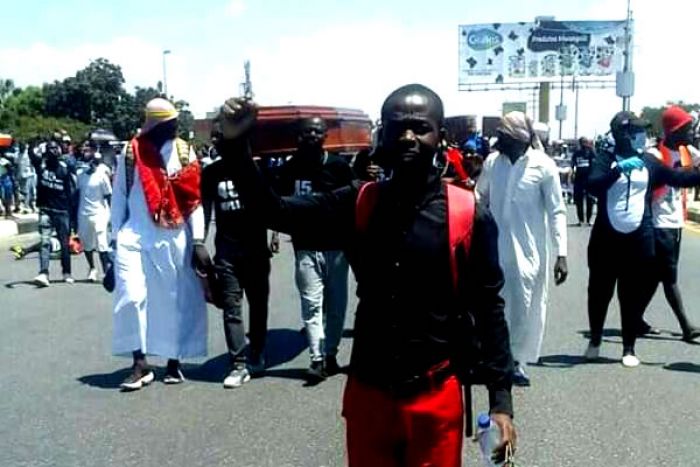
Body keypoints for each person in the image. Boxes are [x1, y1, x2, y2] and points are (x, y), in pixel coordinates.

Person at [216, 84, 516, 467]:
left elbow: (489, 307)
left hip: (435, 395)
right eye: (396, 127)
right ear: (382, 136)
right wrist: (236, 145)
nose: (407, 137)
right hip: (368, 394)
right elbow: (273, 211)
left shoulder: (469, 214)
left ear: (440, 136)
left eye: (420, 127)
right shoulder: (358, 202)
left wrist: (501, 404)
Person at [584, 111, 700, 367]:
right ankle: (595, 339)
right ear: (622, 134)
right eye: (636, 131)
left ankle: (629, 348)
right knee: (599, 292)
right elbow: (592, 184)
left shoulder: (649, 161)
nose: (642, 136)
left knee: (631, 293)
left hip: (639, 237)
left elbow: (679, 177)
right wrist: (617, 171)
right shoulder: (605, 159)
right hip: (606, 237)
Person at [111, 98, 211, 390]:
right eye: (171, 123)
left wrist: (199, 240)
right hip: (134, 236)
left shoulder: (184, 151)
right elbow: (119, 199)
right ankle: (139, 364)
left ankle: (172, 362)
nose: (176, 127)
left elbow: (194, 201)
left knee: (171, 301)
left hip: (173, 235)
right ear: (156, 125)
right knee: (131, 296)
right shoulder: (131, 152)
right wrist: (114, 243)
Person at [476, 111, 568, 386]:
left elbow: (557, 211)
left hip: (529, 254)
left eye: (502, 135)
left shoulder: (543, 165)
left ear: (517, 137)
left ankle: (517, 362)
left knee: (524, 308)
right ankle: (494, 358)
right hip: (493, 250)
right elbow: (480, 195)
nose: (497, 140)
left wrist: (561, 254)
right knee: (493, 307)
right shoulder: (493, 162)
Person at [270, 116, 354, 382]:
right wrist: (275, 231)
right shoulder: (290, 168)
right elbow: (279, 205)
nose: (312, 136)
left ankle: (330, 354)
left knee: (337, 307)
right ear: (299, 136)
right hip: (305, 247)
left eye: (317, 131)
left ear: (325, 135)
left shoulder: (339, 167)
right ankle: (317, 359)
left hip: (336, 248)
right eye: (307, 132)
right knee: (311, 305)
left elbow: (354, 200)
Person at [201, 126, 275, 388]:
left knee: (258, 304)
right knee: (231, 307)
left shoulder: (255, 170)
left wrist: (274, 234)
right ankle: (238, 364)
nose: (218, 143)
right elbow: (206, 210)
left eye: (224, 138)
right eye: (216, 139)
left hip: (255, 249)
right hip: (227, 252)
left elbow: (272, 204)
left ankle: (256, 351)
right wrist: (200, 242)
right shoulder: (210, 173)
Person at [640, 106, 700, 342]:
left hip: (676, 221)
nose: (689, 133)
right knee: (669, 276)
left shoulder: (686, 152)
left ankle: (634, 318)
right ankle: (686, 326)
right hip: (659, 221)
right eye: (685, 129)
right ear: (673, 131)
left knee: (656, 276)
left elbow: (691, 171)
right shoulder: (656, 155)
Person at [31, 141, 75, 286]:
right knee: (45, 242)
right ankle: (43, 272)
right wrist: (37, 142)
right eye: (50, 148)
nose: (53, 151)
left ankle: (66, 272)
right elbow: (32, 154)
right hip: (45, 210)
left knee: (64, 244)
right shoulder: (41, 166)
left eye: (55, 148)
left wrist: (72, 216)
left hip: (62, 211)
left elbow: (70, 192)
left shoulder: (64, 168)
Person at [76, 141, 112, 282]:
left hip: (100, 213)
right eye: (90, 162)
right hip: (84, 213)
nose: (92, 164)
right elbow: (77, 195)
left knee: (102, 243)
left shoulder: (102, 176)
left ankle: (106, 272)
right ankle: (92, 268)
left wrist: (112, 216)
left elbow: (108, 196)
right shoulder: (81, 176)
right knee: (87, 244)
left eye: (95, 162)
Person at [572, 137, 596, 225]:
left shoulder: (591, 152)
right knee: (579, 200)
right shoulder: (577, 153)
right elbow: (573, 164)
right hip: (579, 179)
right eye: (582, 142)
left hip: (589, 179)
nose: (584, 144)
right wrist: (573, 172)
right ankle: (580, 220)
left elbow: (595, 164)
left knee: (590, 200)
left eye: (585, 142)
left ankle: (589, 220)